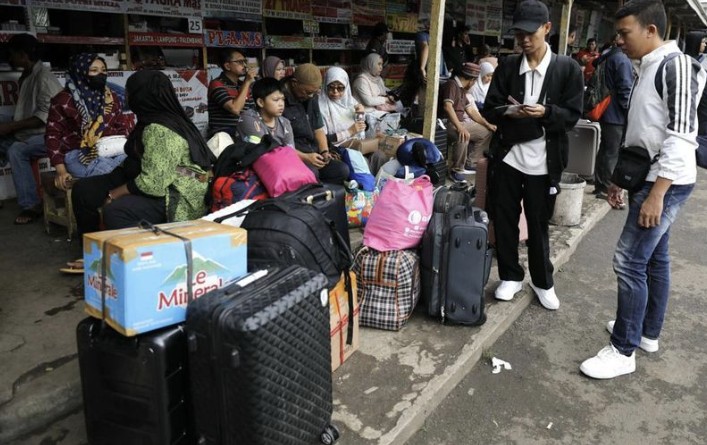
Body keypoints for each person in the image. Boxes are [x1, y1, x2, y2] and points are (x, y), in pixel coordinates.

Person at [580, 0, 705, 379]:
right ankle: (646, 333)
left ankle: (623, 349)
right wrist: (621, 180)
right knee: (654, 258)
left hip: (664, 181)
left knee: (629, 261)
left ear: (651, 30)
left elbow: (682, 135)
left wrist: (657, 193)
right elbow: (643, 132)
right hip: (646, 176)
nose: (618, 40)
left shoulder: (674, 65)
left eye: (625, 32)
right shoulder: (647, 65)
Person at [481, 0, 583, 310]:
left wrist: (546, 112)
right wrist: (510, 111)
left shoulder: (567, 68)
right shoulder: (509, 66)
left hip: (544, 161)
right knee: (505, 218)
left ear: (547, 28)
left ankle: (542, 281)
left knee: (538, 224)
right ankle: (510, 275)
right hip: (509, 156)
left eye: (530, 33)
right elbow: (490, 108)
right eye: (518, 34)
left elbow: (572, 115)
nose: (524, 40)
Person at [72, 70, 215, 236]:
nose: (126, 96)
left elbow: (154, 184)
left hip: (177, 192)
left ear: (141, 95)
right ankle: (92, 247)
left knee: (115, 211)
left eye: (129, 91)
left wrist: (113, 194)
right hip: (145, 175)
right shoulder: (152, 119)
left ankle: (142, 250)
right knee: (84, 191)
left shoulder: (160, 129)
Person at [45, 53, 134, 191]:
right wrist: (61, 171)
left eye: (103, 70)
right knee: (111, 175)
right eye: (94, 70)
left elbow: (122, 127)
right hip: (79, 154)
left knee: (135, 167)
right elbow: (52, 136)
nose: (101, 74)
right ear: (80, 72)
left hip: (113, 150)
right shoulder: (63, 100)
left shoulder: (111, 97)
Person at [1, 34, 63, 224]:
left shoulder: (43, 78)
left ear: (23, 55)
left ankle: (31, 205)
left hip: (52, 135)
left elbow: (44, 117)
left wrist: (11, 127)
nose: (10, 59)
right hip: (32, 132)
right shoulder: (28, 74)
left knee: (16, 150)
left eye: (13, 54)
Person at [281, 63, 349, 184]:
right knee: (312, 173)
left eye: (314, 92)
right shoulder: (280, 100)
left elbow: (318, 128)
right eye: (307, 92)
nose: (311, 96)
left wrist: (324, 152)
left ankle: (325, 193)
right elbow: (280, 145)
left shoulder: (311, 97)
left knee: (342, 170)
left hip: (313, 153)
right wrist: (305, 157)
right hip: (293, 156)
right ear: (294, 83)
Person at [318, 66, 388, 174]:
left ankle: (377, 182)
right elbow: (323, 139)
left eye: (340, 88)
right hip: (337, 148)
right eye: (331, 88)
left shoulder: (351, 102)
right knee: (360, 162)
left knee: (380, 156)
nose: (335, 92)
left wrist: (361, 114)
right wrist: (349, 131)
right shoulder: (321, 106)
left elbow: (361, 128)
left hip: (358, 144)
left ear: (346, 87)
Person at [591, 36, 634, 206]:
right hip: (616, 114)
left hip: (606, 111)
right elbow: (625, 89)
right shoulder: (622, 60)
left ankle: (600, 183)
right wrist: (629, 112)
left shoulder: (607, 55)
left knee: (605, 150)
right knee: (612, 152)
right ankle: (605, 187)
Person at [439, 63, 495, 182]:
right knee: (463, 135)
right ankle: (456, 170)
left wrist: (487, 124)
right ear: (472, 80)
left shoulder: (462, 90)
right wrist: (460, 127)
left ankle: (470, 163)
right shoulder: (452, 84)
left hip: (459, 123)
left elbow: (471, 111)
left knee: (486, 132)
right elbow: (447, 107)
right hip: (445, 123)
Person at [207, 48, 258, 137]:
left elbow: (252, 111)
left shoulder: (244, 85)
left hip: (244, 134)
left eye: (245, 61)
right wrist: (247, 82)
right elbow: (235, 109)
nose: (244, 65)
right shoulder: (216, 84)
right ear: (227, 66)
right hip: (224, 137)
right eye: (240, 62)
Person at [237, 77, 294, 148]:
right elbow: (261, 150)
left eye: (283, 99)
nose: (281, 104)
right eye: (276, 100)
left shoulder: (285, 123)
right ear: (260, 102)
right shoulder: (248, 119)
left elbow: (291, 151)